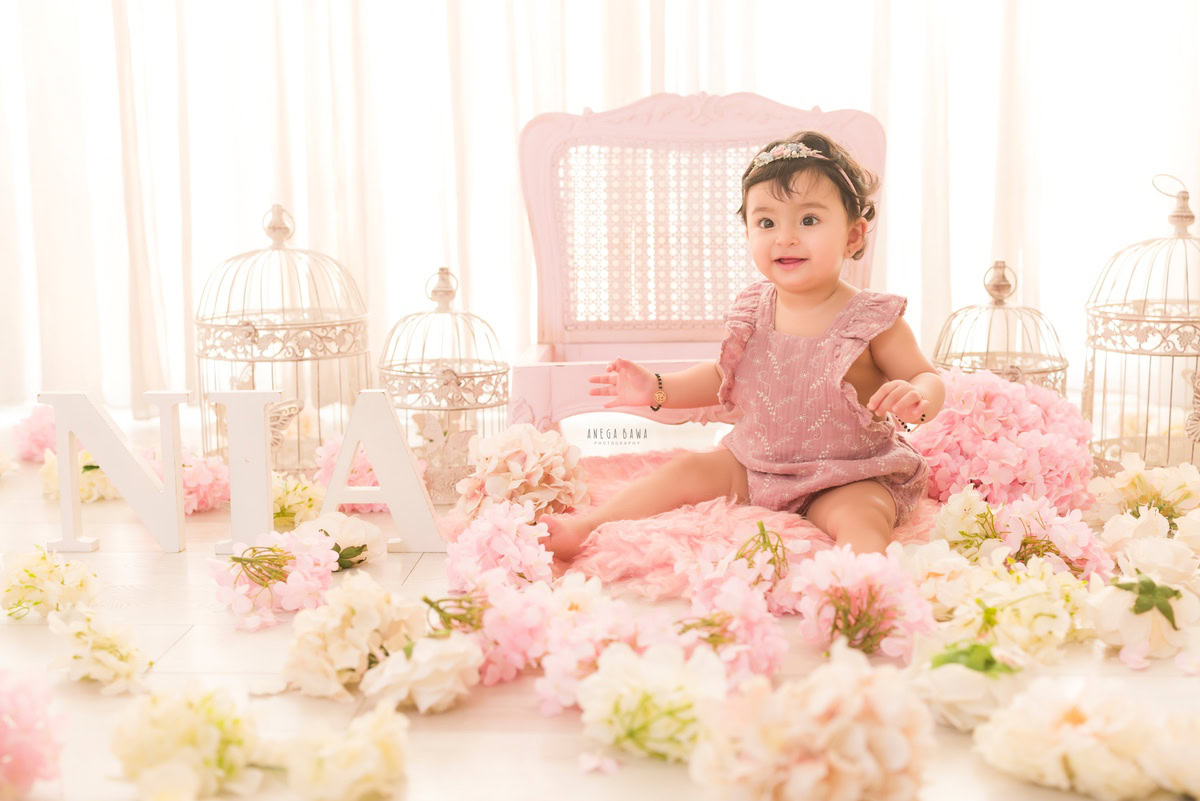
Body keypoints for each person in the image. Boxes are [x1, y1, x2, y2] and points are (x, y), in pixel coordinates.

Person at [541, 131, 945, 561]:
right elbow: (721, 376)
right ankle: (582, 527)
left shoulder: (871, 320)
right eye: (767, 222)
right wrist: (657, 387)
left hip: (846, 472)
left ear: (854, 235)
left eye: (808, 220)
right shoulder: (754, 310)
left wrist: (918, 396)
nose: (785, 237)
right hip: (757, 464)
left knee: (863, 514)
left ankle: (862, 581)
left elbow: (927, 376)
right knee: (686, 470)